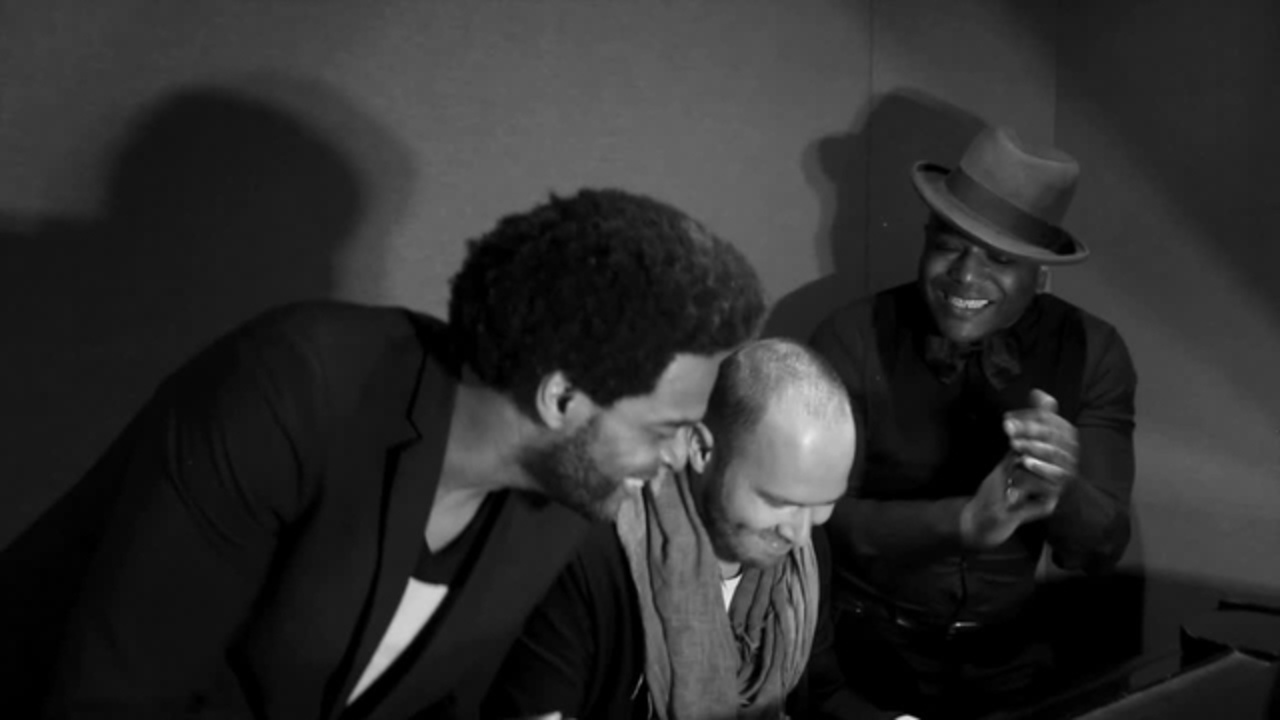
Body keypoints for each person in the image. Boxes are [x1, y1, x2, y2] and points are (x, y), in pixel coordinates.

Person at [18, 188, 766, 718]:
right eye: (665, 427)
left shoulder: (563, 501)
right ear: (563, 397)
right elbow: (117, 696)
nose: (682, 456)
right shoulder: (292, 391)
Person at [809, 126, 1138, 719]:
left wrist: (1062, 485)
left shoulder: (1095, 352)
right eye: (948, 246)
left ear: (1042, 275)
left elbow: (1099, 550)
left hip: (1012, 665)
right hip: (863, 661)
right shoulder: (850, 337)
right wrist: (964, 522)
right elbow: (820, 525)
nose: (964, 275)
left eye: (1000, 259)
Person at [484, 338, 882, 720]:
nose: (799, 534)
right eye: (780, 501)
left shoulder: (804, 556)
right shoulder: (591, 556)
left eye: (823, 504)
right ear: (701, 450)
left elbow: (823, 692)